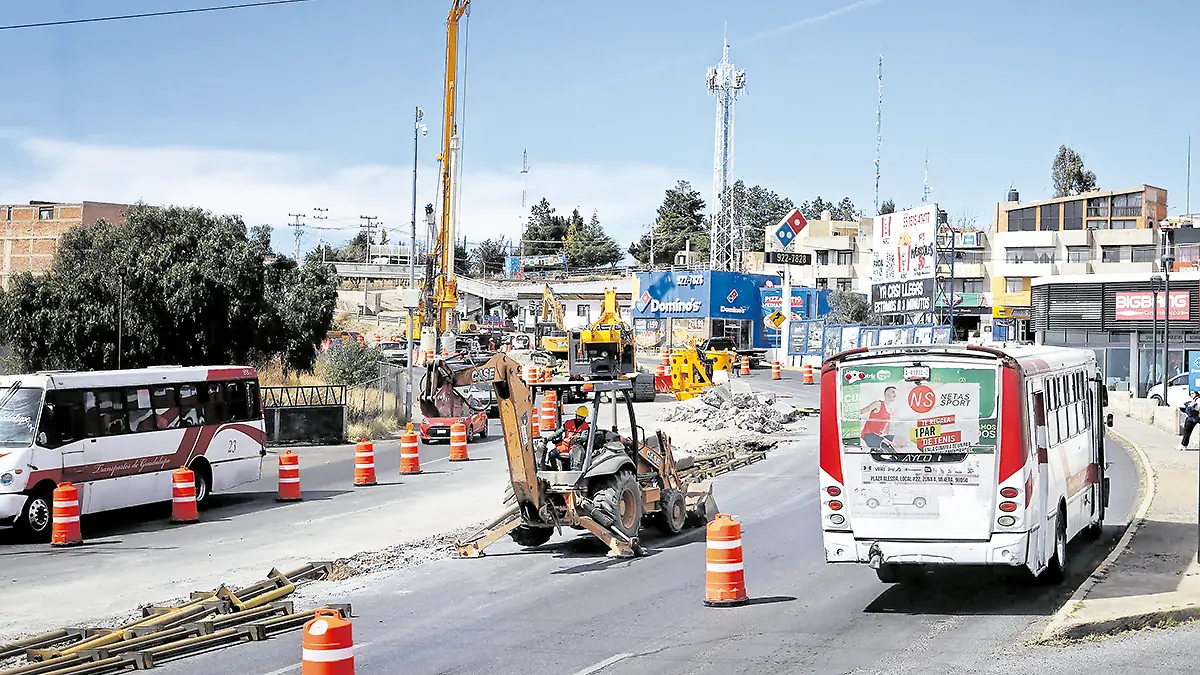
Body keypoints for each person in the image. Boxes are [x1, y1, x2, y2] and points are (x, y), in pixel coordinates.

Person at [544, 405, 592, 470]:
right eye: (578, 416)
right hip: (564, 445)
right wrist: (549, 438)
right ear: (576, 414)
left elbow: (584, 437)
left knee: (573, 455)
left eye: (582, 417)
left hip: (575, 447)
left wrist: (577, 438)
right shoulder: (568, 423)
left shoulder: (585, 427)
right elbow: (558, 432)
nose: (579, 418)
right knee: (551, 454)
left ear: (585, 418)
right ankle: (555, 470)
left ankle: (573, 471)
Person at [860, 386, 898, 451]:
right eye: (893, 391)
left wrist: (888, 436)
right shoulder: (878, 404)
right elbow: (864, 411)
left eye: (895, 393)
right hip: (869, 435)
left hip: (878, 436)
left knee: (897, 439)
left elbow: (887, 425)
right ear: (886, 394)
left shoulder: (890, 410)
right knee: (886, 443)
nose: (895, 393)